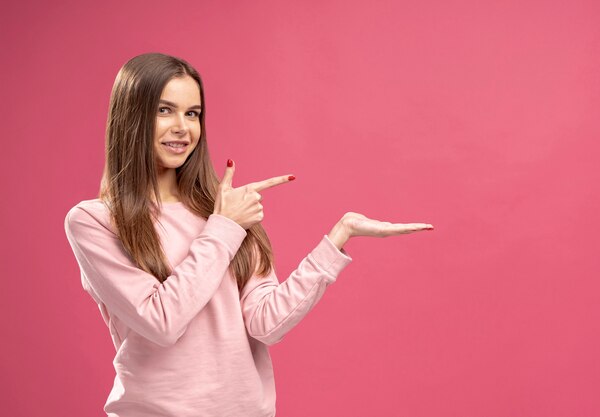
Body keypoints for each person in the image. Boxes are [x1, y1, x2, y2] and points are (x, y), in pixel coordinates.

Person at [63, 52, 434, 417]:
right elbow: (162, 322)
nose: (183, 127)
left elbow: (266, 324)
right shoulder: (94, 221)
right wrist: (224, 227)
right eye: (164, 110)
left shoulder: (225, 210)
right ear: (131, 117)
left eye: (193, 113)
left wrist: (338, 238)